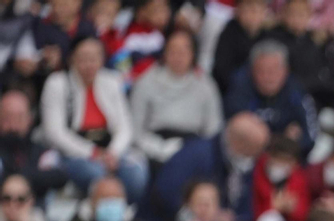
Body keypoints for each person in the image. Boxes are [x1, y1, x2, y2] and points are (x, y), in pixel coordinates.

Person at [39, 36, 148, 202]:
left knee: (135, 174)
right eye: (83, 58)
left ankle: (124, 214)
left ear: (102, 59)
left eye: (94, 58)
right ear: (72, 58)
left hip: (109, 149)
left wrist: (113, 153)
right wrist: (92, 153)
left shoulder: (112, 81)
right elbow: (55, 133)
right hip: (74, 152)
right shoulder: (57, 83)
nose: (89, 64)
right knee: (96, 174)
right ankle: (95, 214)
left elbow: (125, 127)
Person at [147, 111, 269, 221]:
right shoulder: (196, 155)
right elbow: (164, 193)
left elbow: (244, 210)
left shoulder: (237, 164)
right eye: (253, 151)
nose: (255, 158)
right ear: (239, 144)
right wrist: (200, 217)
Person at [129, 29, 223, 168]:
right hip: (155, 147)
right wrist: (158, 148)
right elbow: (136, 129)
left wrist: (195, 150)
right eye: (173, 51)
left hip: (193, 147)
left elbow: (213, 129)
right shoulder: (145, 82)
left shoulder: (206, 85)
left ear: (193, 54)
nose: (178, 57)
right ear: (164, 53)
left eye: (184, 51)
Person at [224, 41, 318, 157]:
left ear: (285, 70)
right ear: (251, 70)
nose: (267, 77)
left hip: (285, 158)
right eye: (261, 71)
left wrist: (296, 143)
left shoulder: (297, 91)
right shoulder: (239, 88)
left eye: (273, 71)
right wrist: (281, 140)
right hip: (247, 158)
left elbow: (311, 135)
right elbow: (234, 133)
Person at [0, 91, 70, 198]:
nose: (13, 125)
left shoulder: (43, 152)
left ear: (30, 119)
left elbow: (60, 176)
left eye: (19, 118)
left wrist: (18, 177)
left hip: (36, 207)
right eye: (7, 118)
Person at [211, 0, 269, 95]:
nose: (254, 15)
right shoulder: (228, 34)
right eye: (249, 10)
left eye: (258, 10)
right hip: (232, 91)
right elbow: (222, 72)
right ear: (238, 11)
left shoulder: (267, 36)